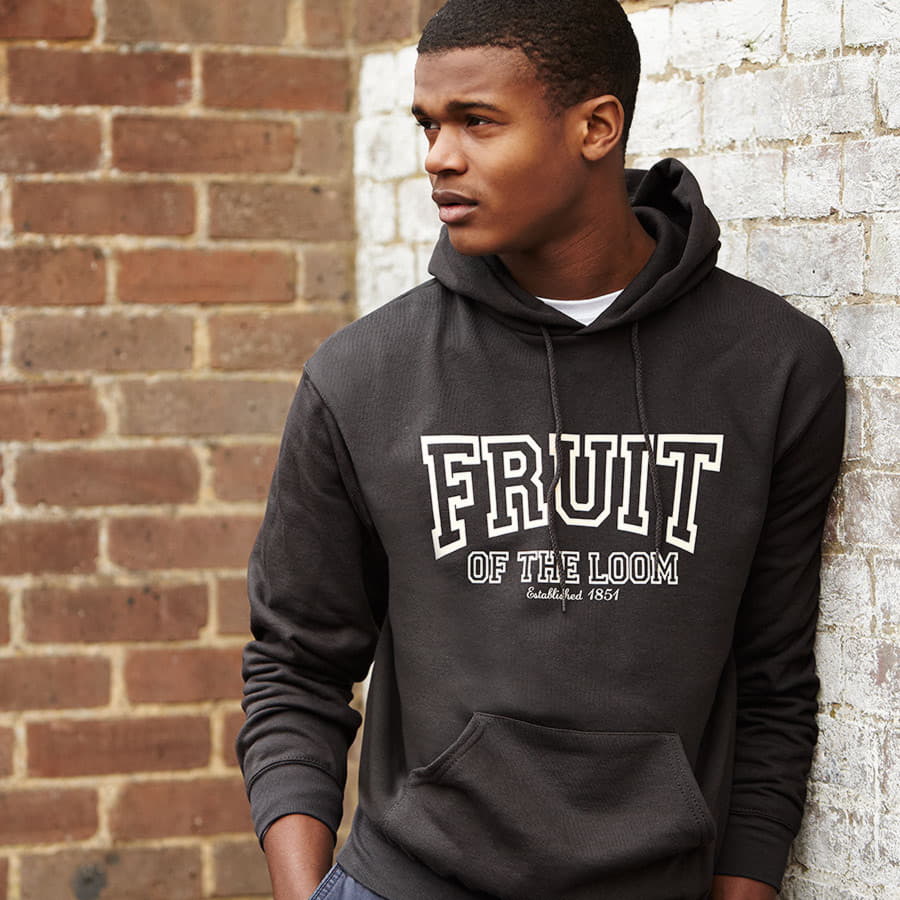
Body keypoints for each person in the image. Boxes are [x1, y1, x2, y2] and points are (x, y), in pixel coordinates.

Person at [236, 1, 846, 898]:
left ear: (596, 127)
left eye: (478, 122)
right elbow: (294, 665)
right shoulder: (363, 377)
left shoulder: (772, 366)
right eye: (429, 125)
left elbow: (774, 684)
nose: (439, 157)